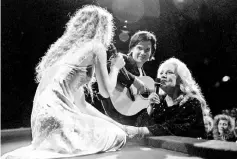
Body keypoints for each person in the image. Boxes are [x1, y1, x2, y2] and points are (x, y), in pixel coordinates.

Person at [2, 5, 128, 159]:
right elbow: (106, 92)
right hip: (59, 121)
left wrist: (118, 124)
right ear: (104, 29)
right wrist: (115, 68)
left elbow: (82, 105)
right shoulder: (96, 47)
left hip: (40, 127)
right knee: (119, 137)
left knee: (114, 129)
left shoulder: (62, 54)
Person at [124, 57, 208, 139]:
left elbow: (174, 128)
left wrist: (139, 131)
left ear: (180, 79)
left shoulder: (192, 102)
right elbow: (138, 127)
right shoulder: (159, 102)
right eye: (161, 73)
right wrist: (149, 108)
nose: (163, 76)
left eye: (169, 72)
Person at [98, 30, 157, 126]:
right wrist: (135, 81)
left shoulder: (144, 74)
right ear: (132, 48)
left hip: (129, 119)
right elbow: (109, 67)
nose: (143, 52)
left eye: (147, 50)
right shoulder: (123, 59)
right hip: (115, 117)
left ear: (151, 53)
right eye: (139, 48)